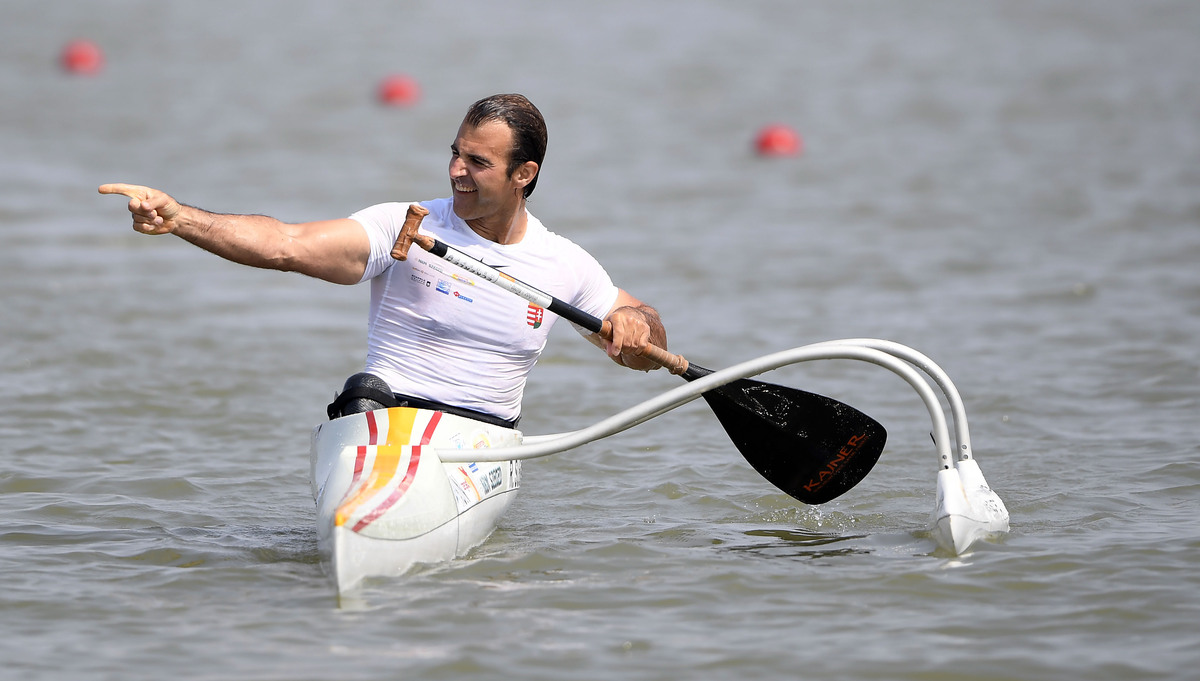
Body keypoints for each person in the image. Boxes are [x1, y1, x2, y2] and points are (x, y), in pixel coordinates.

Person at [99, 93, 667, 428]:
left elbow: (642, 346)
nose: (455, 171)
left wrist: (638, 326)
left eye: (477, 162)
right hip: (381, 417)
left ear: (525, 174)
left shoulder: (562, 263)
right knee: (361, 389)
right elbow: (285, 246)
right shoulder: (408, 225)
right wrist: (180, 219)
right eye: (454, 154)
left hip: (481, 440)